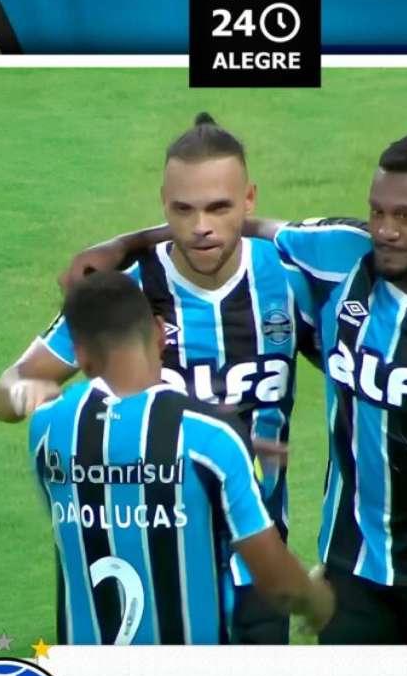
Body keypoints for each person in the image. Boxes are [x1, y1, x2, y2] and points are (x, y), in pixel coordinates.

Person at [65, 132, 407, 650]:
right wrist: (125, 245)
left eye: (406, 217)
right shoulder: (341, 253)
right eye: (377, 212)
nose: (385, 231)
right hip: (351, 570)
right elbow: (233, 223)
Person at [0, 113, 320, 644]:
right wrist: (54, 401)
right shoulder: (127, 291)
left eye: (219, 207)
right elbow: (4, 394)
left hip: (257, 560)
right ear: (164, 204)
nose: (200, 226)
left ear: (249, 200)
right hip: (151, 560)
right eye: (183, 210)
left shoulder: (288, 280)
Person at [28, 271, 334, 645]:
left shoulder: (46, 427)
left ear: (80, 354)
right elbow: (278, 583)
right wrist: (319, 601)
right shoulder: (210, 438)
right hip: (189, 667)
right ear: (160, 332)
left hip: (84, 665)